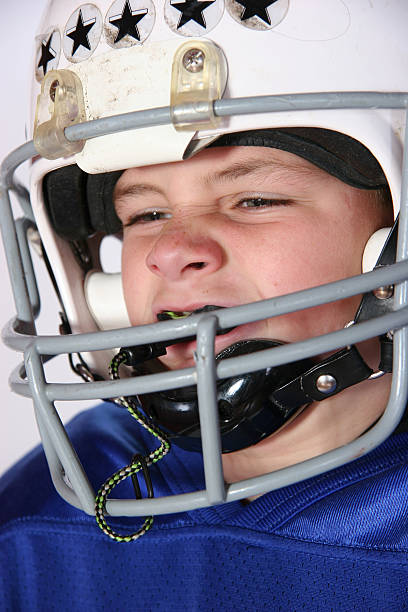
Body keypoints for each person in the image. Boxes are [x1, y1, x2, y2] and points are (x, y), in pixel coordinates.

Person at [1, 0, 408, 609]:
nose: (172, 251)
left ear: (392, 240)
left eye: (255, 199)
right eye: (146, 214)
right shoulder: (63, 500)